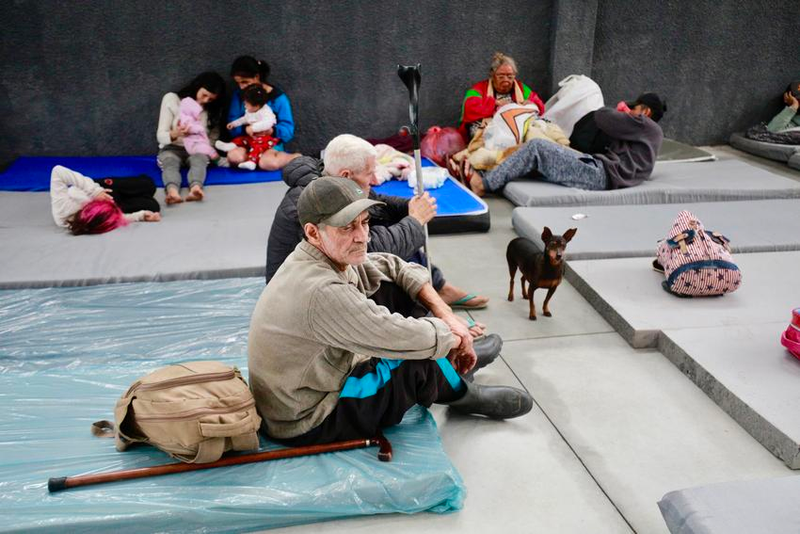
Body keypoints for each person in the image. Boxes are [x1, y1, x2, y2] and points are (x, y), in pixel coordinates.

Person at [248, 176, 533, 446]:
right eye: (347, 227)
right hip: (308, 416)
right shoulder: (320, 290)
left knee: (396, 289)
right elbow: (405, 339)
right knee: (416, 357)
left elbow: (393, 266)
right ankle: (462, 394)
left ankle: (454, 364)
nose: (362, 236)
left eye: (364, 222)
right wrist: (456, 336)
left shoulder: (324, 253)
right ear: (313, 232)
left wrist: (445, 314)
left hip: (312, 380)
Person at [266, 134, 490, 311]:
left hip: (328, 278)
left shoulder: (334, 182)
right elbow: (365, 251)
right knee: (395, 254)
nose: (374, 180)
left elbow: (377, 203)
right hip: (304, 298)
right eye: (370, 174)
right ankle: (431, 325)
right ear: (346, 175)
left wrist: (409, 207)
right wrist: (415, 220)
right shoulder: (314, 204)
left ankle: (437, 288)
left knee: (401, 230)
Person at [468, 92, 666, 196]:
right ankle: (488, 173)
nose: (630, 111)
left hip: (601, 174)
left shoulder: (645, 125)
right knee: (536, 153)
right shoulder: (648, 135)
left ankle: (484, 185)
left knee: (537, 147)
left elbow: (602, 116)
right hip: (601, 170)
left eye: (634, 108)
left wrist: (620, 110)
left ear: (645, 112)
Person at [156, 71, 226, 204]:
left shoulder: (212, 110)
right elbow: (161, 136)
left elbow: (212, 138)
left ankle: (196, 189)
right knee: (170, 163)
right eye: (204, 95)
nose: (205, 100)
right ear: (197, 86)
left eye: (210, 99)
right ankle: (172, 192)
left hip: (196, 148)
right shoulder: (172, 99)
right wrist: (177, 133)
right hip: (171, 147)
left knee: (199, 162)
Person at [226, 56, 300, 170]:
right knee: (234, 157)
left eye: (245, 82)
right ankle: (253, 158)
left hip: (270, 142)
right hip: (247, 141)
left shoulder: (278, 98)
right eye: (238, 83)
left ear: (256, 77)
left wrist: (271, 131)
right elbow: (233, 120)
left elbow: (288, 128)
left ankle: (295, 157)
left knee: (268, 163)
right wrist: (245, 130)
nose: (242, 87)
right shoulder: (238, 95)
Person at [457, 52, 546, 142]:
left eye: (510, 76)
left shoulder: (522, 89)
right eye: (501, 76)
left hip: (516, 129)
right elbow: (469, 109)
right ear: (492, 75)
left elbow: (540, 105)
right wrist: (494, 103)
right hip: (488, 129)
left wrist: (532, 104)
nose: (506, 80)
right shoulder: (478, 89)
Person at [50, 165, 161, 235]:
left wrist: (95, 191)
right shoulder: (94, 223)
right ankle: (122, 201)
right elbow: (116, 219)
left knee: (148, 185)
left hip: (99, 190)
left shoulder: (62, 208)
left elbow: (58, 171)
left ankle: (124, 192)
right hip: (112, 206)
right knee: (153, 206)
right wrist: (140, 215)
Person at [215, 84, 280, 170]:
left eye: (246, 104)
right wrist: (234, 124)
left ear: (256, 106)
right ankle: (231, 145)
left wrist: (253, 128)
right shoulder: (251, 110)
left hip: (265, 139)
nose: (245, 106)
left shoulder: (266, 112)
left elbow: (267, 123)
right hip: (252, 137)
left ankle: (252, 162)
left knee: (257, 147)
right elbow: (245, 119)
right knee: (242, 139)